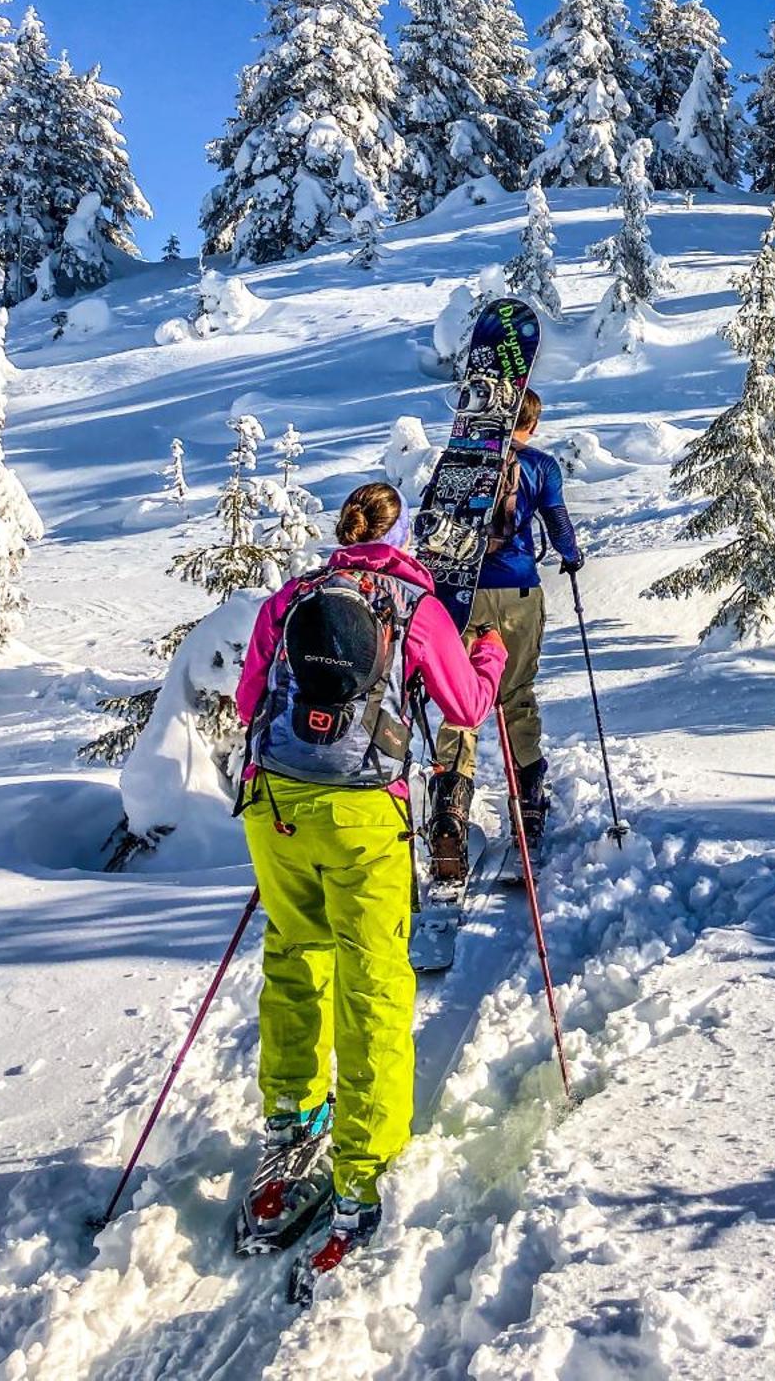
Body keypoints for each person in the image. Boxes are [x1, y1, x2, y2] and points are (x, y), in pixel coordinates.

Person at [235, 480, 507, 1273]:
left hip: (276, 803)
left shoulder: (291, 599)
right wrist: (487, 649)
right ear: (400, 541)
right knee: (375, 981)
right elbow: (464, 708)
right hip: (362, 812)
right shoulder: (414, 606)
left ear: (341, 535)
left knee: (293, 955)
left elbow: (252, 697)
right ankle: (360, 1164)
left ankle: (289, 1117)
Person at [428, 387, 581, 870]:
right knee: (515, 695)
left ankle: (450, 810)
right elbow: (557, 521)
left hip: (462, 594)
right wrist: (572, 557)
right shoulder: (539, 465)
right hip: (518, 591)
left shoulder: (459, 461)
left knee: (460, 700)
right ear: (532, 424)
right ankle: (529, 805)